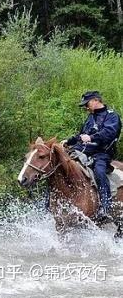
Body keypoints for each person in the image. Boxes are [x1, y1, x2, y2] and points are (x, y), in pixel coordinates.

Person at [65, 91, 121, 222]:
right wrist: (68, 141)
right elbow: (81, 135)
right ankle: (48, 204)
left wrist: (91, 137)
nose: (85, 107)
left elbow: (109, 133)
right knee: (59, 165)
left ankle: (106, 207)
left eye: (87, 104)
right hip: (83, 151)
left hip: (102, 153)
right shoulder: (90, 118)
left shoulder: (112, 117)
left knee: (100, 171)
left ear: (96, 100)